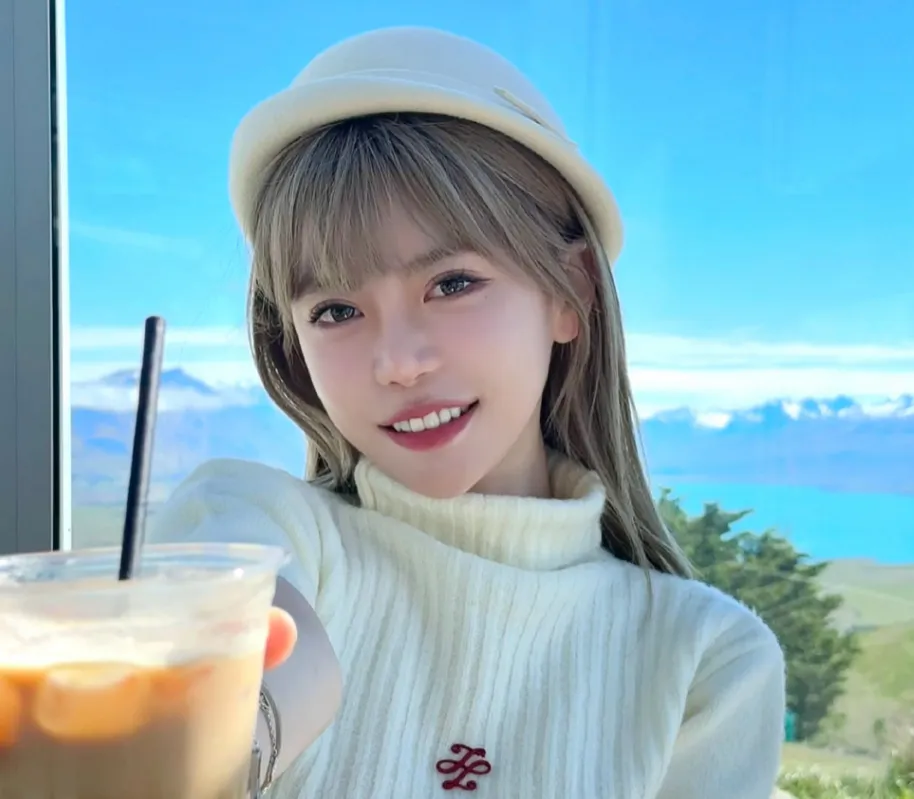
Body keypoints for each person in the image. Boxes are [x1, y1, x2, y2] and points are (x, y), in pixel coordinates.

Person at [150, 25, 786, 798]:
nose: (398, 361)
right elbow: (206, 687)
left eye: (451, 284)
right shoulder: (260, 528)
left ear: (571, 290)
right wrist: (194, 736)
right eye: (336, 310)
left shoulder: (705, 662)